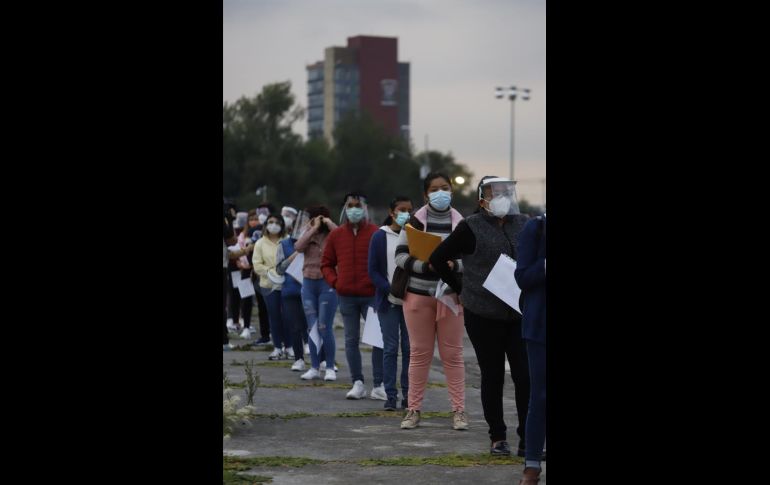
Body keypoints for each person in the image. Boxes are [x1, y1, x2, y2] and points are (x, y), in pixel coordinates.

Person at [430, 176, 531, 457]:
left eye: (505, 192)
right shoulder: (470, 227)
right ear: (481, 199)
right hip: (483, 314)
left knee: (525, 376)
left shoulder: (523, 223)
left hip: (518, 312)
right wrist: (462, 287)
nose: (501, 197)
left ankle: (528, 438)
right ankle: (498, 437)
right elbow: (438, 258)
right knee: (493, 375)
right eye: (494, 193)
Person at [395, 172, 467, 430]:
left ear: (451, 191)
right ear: (426, 195)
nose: (440, 193)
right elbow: (400, 256)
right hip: (418, 296)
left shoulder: (462, 224)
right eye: (434, 189)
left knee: (453, 355)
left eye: (445, 188)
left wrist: (453, 265)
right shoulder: (413, 222)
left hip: (450, 298)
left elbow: (471, 259)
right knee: (419, 354)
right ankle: (413, 409)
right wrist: (426, 266)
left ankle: (459, 411)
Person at [321, 193, 385, 399]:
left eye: (358, 205)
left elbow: (385, 262)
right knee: (350, 340)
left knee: (377, 340)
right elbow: (326, 263)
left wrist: (380, 285)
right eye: (350, 205)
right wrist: (335, 282)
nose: (354, 209)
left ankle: (379, 384)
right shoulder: (336, 235)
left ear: (365, 208)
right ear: (345, 209)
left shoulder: (376, 233)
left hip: (371, 296)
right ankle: (357, 382)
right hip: (346, 296)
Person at [368, 196, 413, 410]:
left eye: (409, 210)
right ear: (392, 212)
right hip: (387, 301)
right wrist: (389, 288)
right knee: (390, 348)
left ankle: (408, 395)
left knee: (409, 349)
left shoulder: (414, 235)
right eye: (401, 209)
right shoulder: (380, 236)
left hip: (411, 300)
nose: (406, 213)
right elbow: (373, 271)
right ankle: (390, 396)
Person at [514, 214, 546, 485]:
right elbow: (522, 277)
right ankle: (532, 465)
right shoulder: (536, 228)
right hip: (540, 327)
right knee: (541, 397)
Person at [294, 206, 338, 381]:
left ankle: (329, 366)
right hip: (308, 283)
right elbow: (298, 246)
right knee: (312, 326)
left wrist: (328, 222)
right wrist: (312, 228)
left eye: (322, 218)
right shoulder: (308, 232)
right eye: (316, 218)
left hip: (327, 283)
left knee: (324, 326)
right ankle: (313, 366)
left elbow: (341, 235)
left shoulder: (333, 234)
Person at [252, 213, 293, 360]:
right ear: (265, 225)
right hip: (268, 284)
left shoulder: (287, 241)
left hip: (287, 284)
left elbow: (294, 259)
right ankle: (277, 347)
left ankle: (289, 347)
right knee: (274, 316)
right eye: (270, 222)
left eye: (277, 222)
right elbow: (257, 265)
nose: (273, 225)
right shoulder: (260, 243)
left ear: (282, 225)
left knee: (288, 317)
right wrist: (271, 272)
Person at [275, 222, 310, 372]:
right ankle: (299, 359)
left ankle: (322, 361)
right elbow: (279, 269)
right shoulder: (283, 244)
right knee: (295, 326)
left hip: (310, 290)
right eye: (298, 228)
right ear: (291, 229)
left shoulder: (313, 242)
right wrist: (294, 255)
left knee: (314, 326)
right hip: (290, 291)